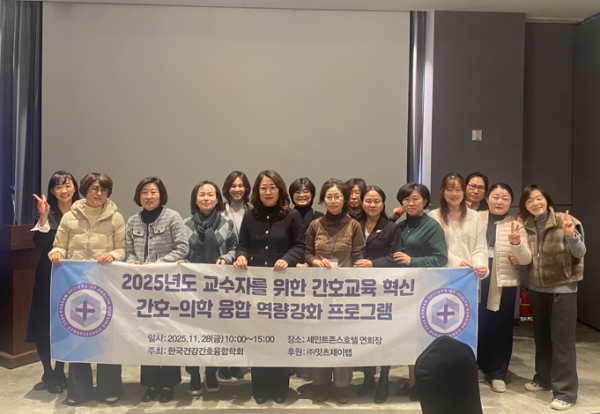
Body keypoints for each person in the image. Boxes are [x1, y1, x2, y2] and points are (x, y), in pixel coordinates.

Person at [49, 172, 126, 405]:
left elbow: (122, 249)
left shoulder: (116, 218)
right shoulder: (69, 217)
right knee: (78, 337)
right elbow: (59, 245)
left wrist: (113, 255)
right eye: (94, 188)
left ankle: (109, 388)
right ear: (84, 190)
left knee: (107, 337)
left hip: (106, 285)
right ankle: (78, 391)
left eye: (104, 190)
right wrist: (57, 253)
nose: (99, 193)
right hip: (77, 287)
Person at [233, 170, 305, 404]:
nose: (268, 192)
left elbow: (299, 246)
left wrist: (288, 259)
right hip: (256, 287)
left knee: (280, 336)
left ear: (280, 190)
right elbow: (243, 244)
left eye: (272, 187)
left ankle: (280, 385)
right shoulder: (250, 216)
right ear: (257, 191)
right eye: (263, 187)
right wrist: (241, 256)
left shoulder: (292, 215)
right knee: (258, 337)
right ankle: (260, 386)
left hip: (282, 287)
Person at [518, 185, 585, 411]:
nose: (535, 203)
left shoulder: (566, 221)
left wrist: (570, 235)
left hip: (562, 290)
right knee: (542, 339)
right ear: (525, 205)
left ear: (546, 199)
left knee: (562, 343)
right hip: (537, 290)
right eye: (530, 201)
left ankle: (566, 392)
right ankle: (543, 379)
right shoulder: (526, 225)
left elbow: (581, 253)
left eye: (539, 198)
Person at [125, 177, 189, 403]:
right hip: (142, 288)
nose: (149, 196)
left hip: (167, 285)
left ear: (161, 195)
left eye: (153, 192)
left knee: (167, 333)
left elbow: (182, 248)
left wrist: (158, 265)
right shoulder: (132, 221)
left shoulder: (172, 217)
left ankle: (169, 384)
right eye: (144, 192)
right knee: (147, 335)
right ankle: (151, 383)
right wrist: (132, 262)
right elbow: (128, 250)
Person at [305, 178, 365, 404]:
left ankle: (342, 385)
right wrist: (314, 261)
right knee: (320, 337)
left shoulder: (354, 225)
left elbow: (358, 255)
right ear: (323, 199)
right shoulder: (315, 225)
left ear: (345, 199)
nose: (332, 200)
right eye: (328, 197)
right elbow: (307, 252)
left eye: (337, 196)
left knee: (341, 338)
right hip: (318, 291)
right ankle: (320, 383)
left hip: (344, 292)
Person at [393, 182, 448, 400]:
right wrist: (392, 220)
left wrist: (412, 260)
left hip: (426, 288)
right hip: (405, 290)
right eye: (406, 199)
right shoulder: (402, 226)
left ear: (425, 201)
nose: (410, 203)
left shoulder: (432, 226)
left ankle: (425, 384)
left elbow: (441, 258)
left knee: (423, 339)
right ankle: (413, 381)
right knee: (410, 339)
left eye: (415, 199)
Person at [27, 171, 80, 394]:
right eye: (58, 187)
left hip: (74, 274)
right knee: (45, 323)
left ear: (75, 188)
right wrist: (43, 217)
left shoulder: (82, 211)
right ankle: (47, 372)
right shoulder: (46, 212)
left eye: (67, 185)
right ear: (52, 191)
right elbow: (39, 243)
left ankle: (60, 370)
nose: (64, 190)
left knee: (67, 322)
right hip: (48, 273)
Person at [183, 181, 238, 396]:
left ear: (217, 199)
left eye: (210, 194)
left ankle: (211, 372)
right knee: (192, 333)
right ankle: (194, 375)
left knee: (215, 333)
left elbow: (235, 247)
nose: (206, 198)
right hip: (191, 288)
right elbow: (180, 250)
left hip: (219, 287)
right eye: (202, 195)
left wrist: (227, 258)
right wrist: (183, 263)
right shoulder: (185, 224)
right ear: (195, 199)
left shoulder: (227, 223)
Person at [477, 183, 532, 393]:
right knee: (480, 326)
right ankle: (480, 367)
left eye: (505, 198)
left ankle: (498, 373)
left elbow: (525, 259)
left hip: (504, 283)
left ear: (511, 202)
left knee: (501, 328)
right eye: (496, 197)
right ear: (487, 199)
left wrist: (516, 244)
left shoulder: (515, 224)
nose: (500, 201)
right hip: (477, 281)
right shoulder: (476, 219)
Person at [354, 185, 402, 403]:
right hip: (358, 290)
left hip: (383, 289)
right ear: (361, 203)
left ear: (383, 204)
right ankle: (367, 377)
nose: (372, 205)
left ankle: (384, 378)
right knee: (364, 335)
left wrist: (373, 264)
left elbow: (396, 257)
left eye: (376, 201)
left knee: (384, 336)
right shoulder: (353, 225)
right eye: (368, 201)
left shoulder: (391, 227)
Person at [219, 171, 251, 380]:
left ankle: (239, 362)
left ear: (246, 189)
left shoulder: (253, 211)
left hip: (246, 270)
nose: (237, 189)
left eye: (241, 186)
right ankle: (223, 363)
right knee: (224, 319)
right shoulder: (219, 211)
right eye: (233, 186)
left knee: (243, 319)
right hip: (224, 270)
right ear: (227, 189)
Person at [428, 172, 488, 278]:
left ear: (464, 192)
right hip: (441, 276)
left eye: (458, 189)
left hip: (469, 276)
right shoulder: (434, 216)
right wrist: (457, 263)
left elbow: (479, 248)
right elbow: (434, 249)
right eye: (449, 189)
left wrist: (480, 266)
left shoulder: (475, 217)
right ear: (443, 192)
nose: (454, 194)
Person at [289, 177, 324, 269]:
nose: (302, 195)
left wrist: (312, 261)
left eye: (305, 192)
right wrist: (293, 263)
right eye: (297, 192)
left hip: (316, 266)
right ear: (291, 195)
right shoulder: (286, 216)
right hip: (290, 266)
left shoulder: (320, 217)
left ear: (312, 194)